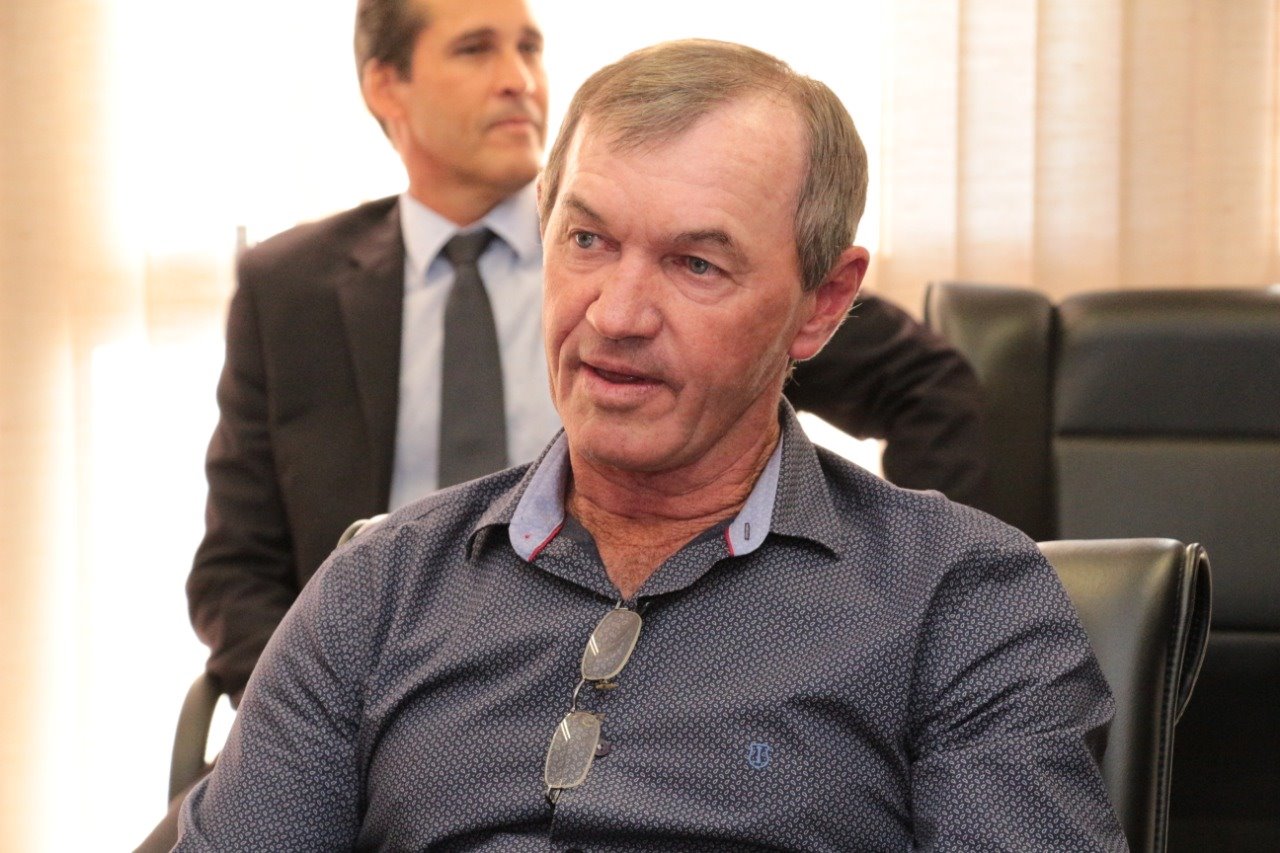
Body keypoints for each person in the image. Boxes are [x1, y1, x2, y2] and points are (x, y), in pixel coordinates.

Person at [175, 39, 1123, 850]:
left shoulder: (959, 603)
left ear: (823, 304)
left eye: (695, 263)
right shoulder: (377, 588)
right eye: (587, 241)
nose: (616, 315)